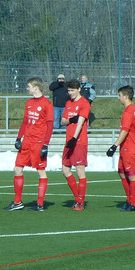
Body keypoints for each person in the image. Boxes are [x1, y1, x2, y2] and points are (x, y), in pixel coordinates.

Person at [6, 77, 52, 211]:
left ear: (36, 87)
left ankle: (40, 203)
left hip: (38, 143)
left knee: (41, 171)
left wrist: (45, 145)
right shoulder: (29, 103)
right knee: (17, 169)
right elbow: (25, 121)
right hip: (27, 142)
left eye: (29, 86)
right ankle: (17, 202)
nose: (27, 88)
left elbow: (49, 126)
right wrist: (18, 138)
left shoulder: (47, 104)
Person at [60, 79, 91, 210]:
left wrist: (74, 137)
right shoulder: (68, 103)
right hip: (69, 141)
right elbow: (62, 121)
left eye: (72, 90)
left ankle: (80, 202)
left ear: (79, 89)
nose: (70, 93)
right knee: (65, 169)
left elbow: (81, 122)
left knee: (80, 170)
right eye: (68, 90)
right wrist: (71, 119)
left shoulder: (85, 103)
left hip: (79, 141)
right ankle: (77, 198)